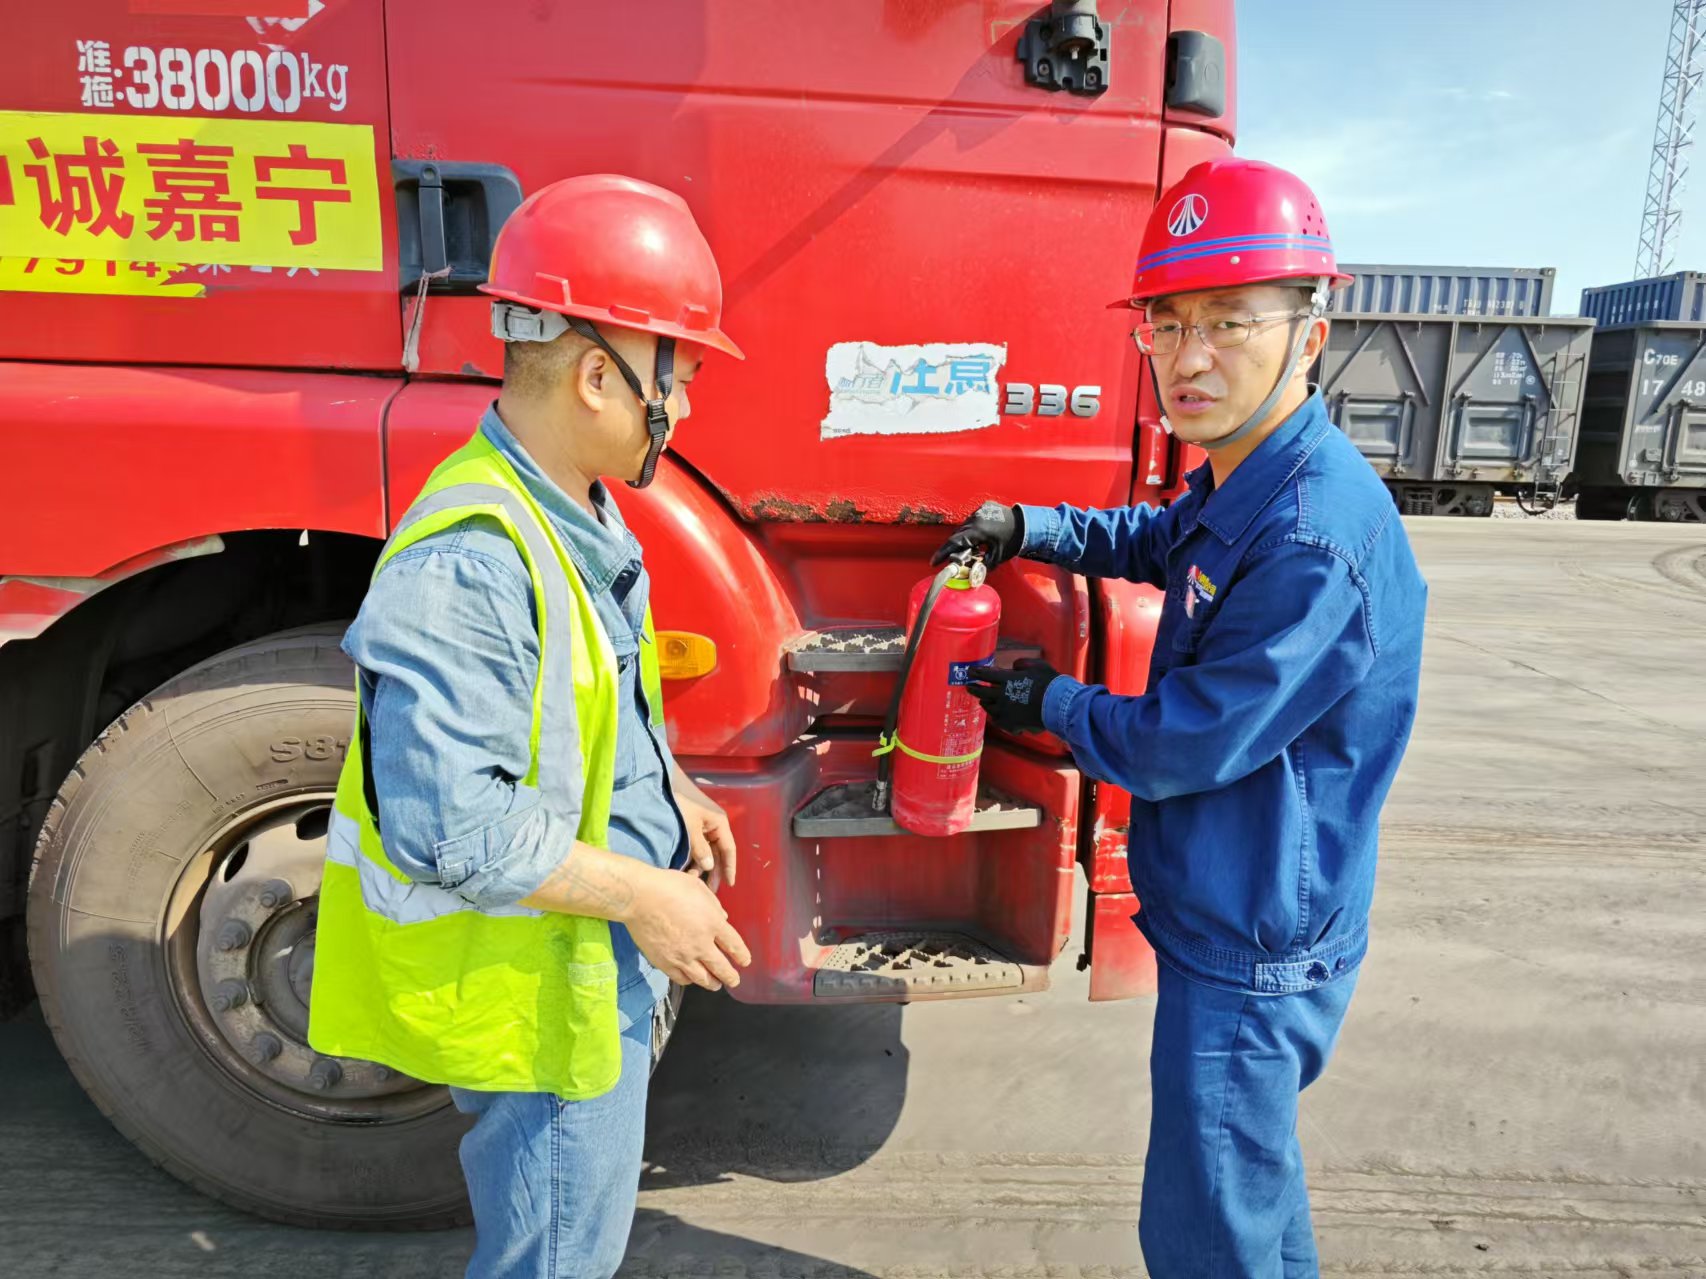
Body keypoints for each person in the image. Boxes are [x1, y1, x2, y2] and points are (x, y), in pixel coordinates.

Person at [935, 158, 1428, 1277]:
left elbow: (1183, 743)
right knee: (1247, 1198)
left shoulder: (1310, 536)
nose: (1188, 356)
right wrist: (1029, 525)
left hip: (1255, 942)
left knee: (1208, 1235)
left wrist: (1045, 702)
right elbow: (1157, 541)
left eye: (1228, 321)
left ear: (1308, 332)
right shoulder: (1244, 475)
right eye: (1166, 321)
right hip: (1238, 904)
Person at [307, 174, 751, 1279]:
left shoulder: (576, 510)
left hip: (585, 966)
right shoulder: (474, 558)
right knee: (555, 1254)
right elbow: (450, 824)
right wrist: (648, 893)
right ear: (600, 375)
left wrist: (671, 791)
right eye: (676, 378)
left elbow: (593, 702)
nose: (681, 407)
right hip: (541, 995)